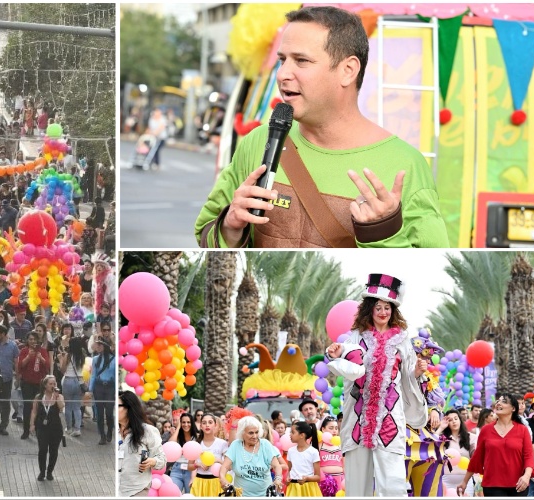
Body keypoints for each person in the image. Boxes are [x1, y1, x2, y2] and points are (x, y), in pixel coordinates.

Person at [195, 6, 449, 249]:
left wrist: (381, 234)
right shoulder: (258, 141)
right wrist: (230, 226)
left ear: (348, 70)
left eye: (302, 60)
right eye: (282, 60)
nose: (283, 74)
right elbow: (204, 233)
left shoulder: (406, 166)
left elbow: (422, 266)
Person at [324, 273, 436, 496]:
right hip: (360, 416)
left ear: (393, 311)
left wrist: (416, 371)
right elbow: (344, 357)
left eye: (388, 308)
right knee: (357, 481)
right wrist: (332, 352)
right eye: (379, 307)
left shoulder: (402, 339)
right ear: (370, 310)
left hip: (389, 416)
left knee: (393, 479)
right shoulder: (357, 337)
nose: (383, 312)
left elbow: (407, 375)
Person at [456, 393, 534, 497]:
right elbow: (477, 458)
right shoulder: (486, 430)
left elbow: (528, 456)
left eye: (503, 401)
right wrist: (464, 482)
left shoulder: (523, 430)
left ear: (513, 408)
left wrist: (526, 476)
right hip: (492, 485)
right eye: (498, 401)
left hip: (519, 485)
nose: (498, 403)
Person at [219, 415, 284, 496]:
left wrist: (278, 479)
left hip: (265, 495)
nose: (255, 436)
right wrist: (222, 478)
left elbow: (277, 466)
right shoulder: (236, 445)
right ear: (242, 433)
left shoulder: (265, 444)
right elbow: (225, 467)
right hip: (241, 495)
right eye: (251, 433)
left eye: (257, 432)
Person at [118, 390, 166, 496]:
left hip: (136, 490)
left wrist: (152, 461)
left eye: (118, 406)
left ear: (129, 408)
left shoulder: (147, 431)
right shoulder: (114, 432)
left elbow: (162, 460)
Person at [30, 374, 65, 481]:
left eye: (54, 383)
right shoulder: (38, 397)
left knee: (53, 451)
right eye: (50, 384)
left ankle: (50, 471)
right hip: (42, 428)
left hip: (55, 428)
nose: (53, 386)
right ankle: (42, 471)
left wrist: (56, 396)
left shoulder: (59, 396)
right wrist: (32, 425)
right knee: (42, 450)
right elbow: (34, 412)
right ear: (45, 385)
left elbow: (61, 407)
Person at [17, 332, 51, 440]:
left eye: (34, 339)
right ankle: (26, 430)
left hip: (39, 384)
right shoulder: (24, 351)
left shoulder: (43, 351)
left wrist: (41, 358)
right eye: (30, 339)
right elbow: (20, 366)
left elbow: (47, 366)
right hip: (27, 383)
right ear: (27, 340)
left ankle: (37, 429)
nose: (32, 341)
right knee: (27, 407)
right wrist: (28, 357)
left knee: (39, 407)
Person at [437, 409, 478, 495]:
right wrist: (441, 427)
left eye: (456, 419)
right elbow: (430, 444)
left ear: (460, 420)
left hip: (466, 481)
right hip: (446, 480)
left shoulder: (471, 437)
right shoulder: (442, 438)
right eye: (450, 420)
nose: (454, 422)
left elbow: (476, 458)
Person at [190, 414, 229, 497]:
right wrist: (197, 464)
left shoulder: (222, 443)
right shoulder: (196, 444)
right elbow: (189, 466)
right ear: (200, 426)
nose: (207, 425)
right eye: (204, 423)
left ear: (215, 425)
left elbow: (229, 467)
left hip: (216, 482)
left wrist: (217, 460)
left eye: (210, 422)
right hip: (199, 482)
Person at [285, 421, 322, 496]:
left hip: (308, 488)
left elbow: (318, 477)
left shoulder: (313, 452)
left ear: (302, 435)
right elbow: (290, 470)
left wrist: (307, 478)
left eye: (293, 432)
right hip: (293, 488)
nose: (290, 434)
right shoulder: (291, 451)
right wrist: (288, 477)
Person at [60, 336, 86, 437]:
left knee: (68, 406)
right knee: (77, 407)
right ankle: (77, 429)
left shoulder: (68, 355)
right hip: (79, 381)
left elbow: (62, 370)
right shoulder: (82, 355)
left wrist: (62, 359)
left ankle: (69, 427)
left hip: (68, 381)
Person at [169, 412, 199, 493]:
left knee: (189, 494)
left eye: (188, 422)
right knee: (173, 493)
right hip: (177, 469)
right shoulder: (177, 436)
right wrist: (178, 427)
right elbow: (170, 445)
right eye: (183, 422)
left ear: (192, 423)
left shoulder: (197, 437)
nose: (186, 424)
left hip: (191, 470)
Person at [318, 416, 343, 494]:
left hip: (340, 480)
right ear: (323, 429)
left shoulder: (341, 444)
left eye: (336, 428)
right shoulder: (319, 445)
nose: (334, 431)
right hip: (324, 481)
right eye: (331, 428)